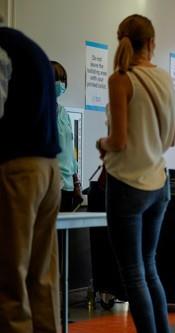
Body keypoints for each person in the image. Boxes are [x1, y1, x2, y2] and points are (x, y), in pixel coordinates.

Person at [96, 14, 175, 333]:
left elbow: (118, 140)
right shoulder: (165, 79)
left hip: (126, 184)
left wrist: (101, 142)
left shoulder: (120, 79)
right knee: (149, 268)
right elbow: (169, 138)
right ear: (152, 43)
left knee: (132, 273)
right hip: (159, 182)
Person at [0, 24, 62, 333]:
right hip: (49, 169)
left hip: (20, 169)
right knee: (42, 276)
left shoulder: (1, 49)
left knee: (10, 274)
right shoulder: (28, 46)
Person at [51, 61, 84, 212]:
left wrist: (76, 181)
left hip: (68, 184)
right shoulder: (40, 111)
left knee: (65, 233)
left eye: (63, 79)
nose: (61, 84)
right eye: (58, 79)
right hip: (50, 184)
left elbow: (71, 151)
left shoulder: (63, 112)